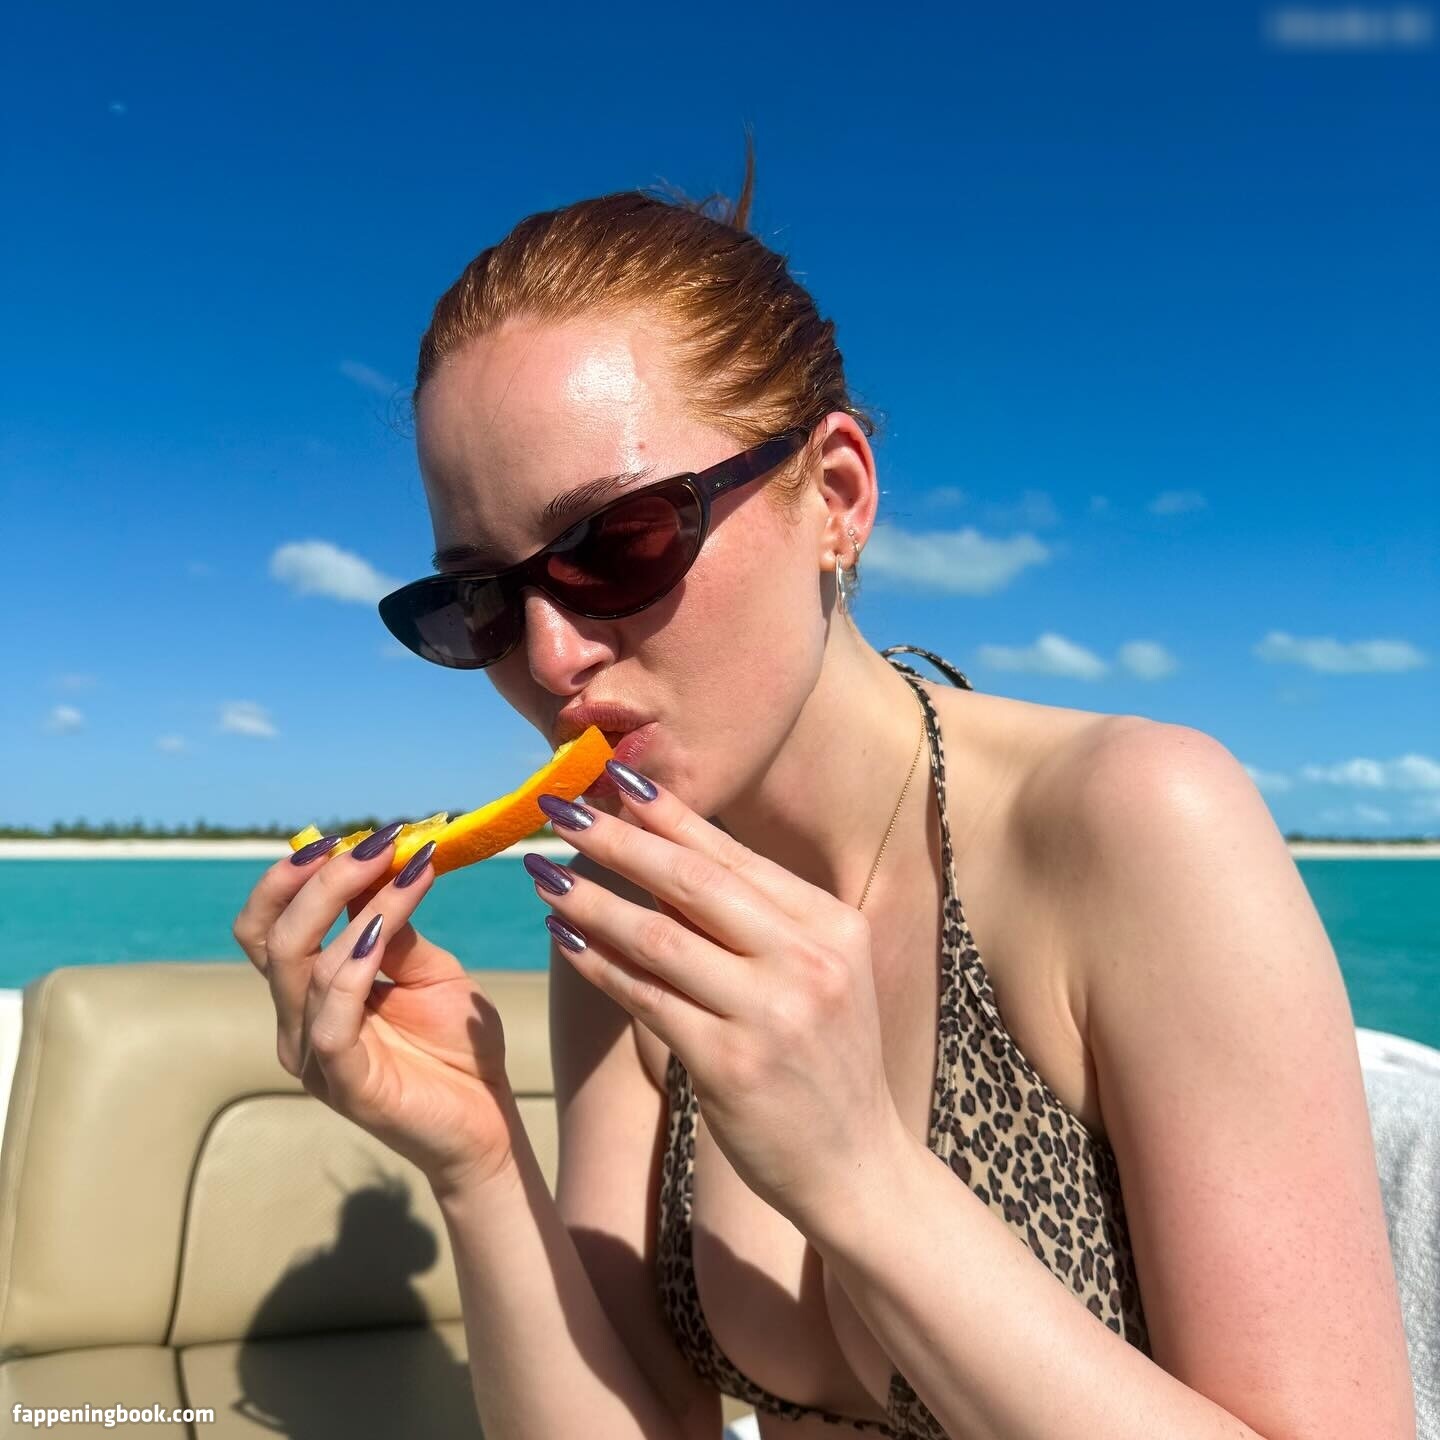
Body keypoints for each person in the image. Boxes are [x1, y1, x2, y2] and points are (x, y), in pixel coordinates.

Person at [231, 137, 1417, 1439]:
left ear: (837, 498)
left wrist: (860, 1176)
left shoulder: (1133, 823)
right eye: (480, 601)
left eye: (618, 543)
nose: (553, 659)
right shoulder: (635, 911)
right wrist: (477, 1161)